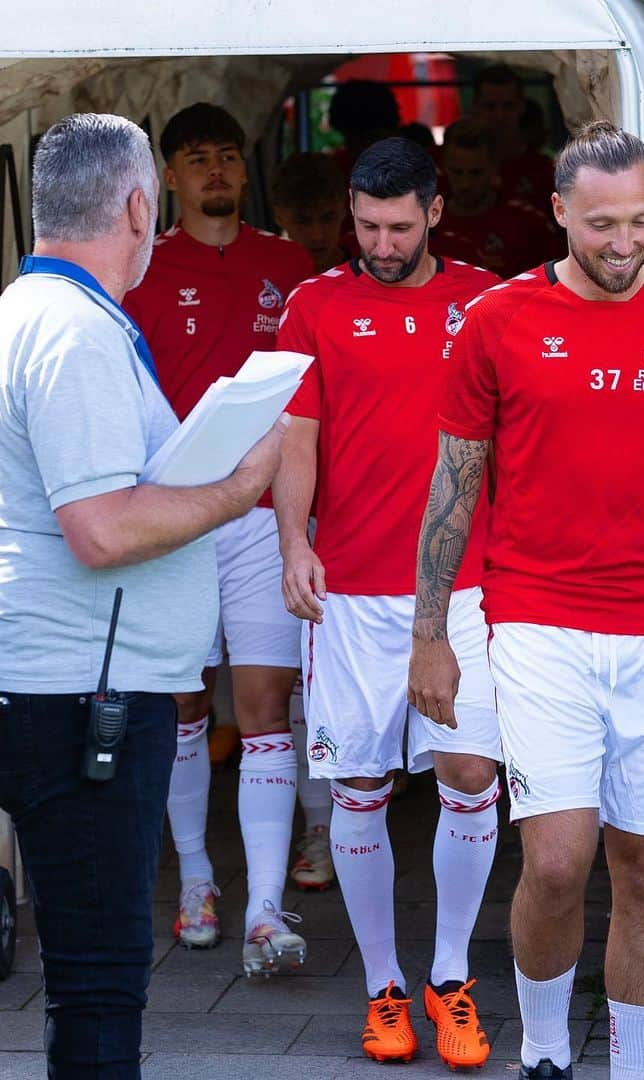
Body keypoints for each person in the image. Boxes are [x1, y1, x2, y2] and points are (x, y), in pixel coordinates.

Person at [408, 120, 644, 1080]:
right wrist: (430, 633)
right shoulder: (498, 320)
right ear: (560, 211)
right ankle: (542, 1053)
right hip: (536, 626)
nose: (625, 244)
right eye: (604, 223)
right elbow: (453, 482)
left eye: (643, 223)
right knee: (560, 863)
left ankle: (632, 1070)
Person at [0, 112, 286, 1077]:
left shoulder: (24, 312)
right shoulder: (74, 334)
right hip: (83, 698)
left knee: (88, 976)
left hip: (63, 684)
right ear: (137, 203)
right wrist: (238, 488)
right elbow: (102, 530)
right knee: (99, 982)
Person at [273, 136, 503, 1069]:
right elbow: (296, 433)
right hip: (353, 594)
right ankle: (383, 990)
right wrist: (293, 541)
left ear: (434, 213)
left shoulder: (488, 300)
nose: (381, 242)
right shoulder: (315, 304)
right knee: (359, 790)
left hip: (467, 589)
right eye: (366, 226)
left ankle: (451, 978)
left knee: (471, 776)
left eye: (399, 226)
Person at [123, 103, 319, 967]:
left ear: (247, 170)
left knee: (268, 707)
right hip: (174, 520)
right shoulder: (138, 269)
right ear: (166, 175)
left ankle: (267, 910)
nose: (216, 172)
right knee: (184, 706)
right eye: (197, 158)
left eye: (229, 157)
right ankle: (198, 876)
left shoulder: (289, 264)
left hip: (268, 518)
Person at [433, 116, 558, 278]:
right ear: (444, 167)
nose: (465, 184)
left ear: (494, 167)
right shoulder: (428, 225)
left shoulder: (529, 224)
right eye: (457, 172)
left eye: (475, 173)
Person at [472, 64, 555, 218]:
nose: (499, 115)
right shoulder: (449, 165)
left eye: (508, 106)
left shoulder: (545, 171)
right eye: (489, 106)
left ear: (521, 107)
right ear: (475, 107)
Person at [272, 152, 350, 274]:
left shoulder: (374, 270)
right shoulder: (265, 279)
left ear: (345, 209)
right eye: (302, 221)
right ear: (279, 217)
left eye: (328, 218)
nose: (317, 235)